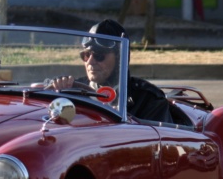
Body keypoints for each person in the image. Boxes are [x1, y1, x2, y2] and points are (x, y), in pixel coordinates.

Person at [44, 19, 173, 123]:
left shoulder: (148, 99)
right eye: (86, 55)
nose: (90, 61)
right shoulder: (72, 90)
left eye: (99, 55)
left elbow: (155, 144)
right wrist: (58, 91)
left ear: (120, 58)